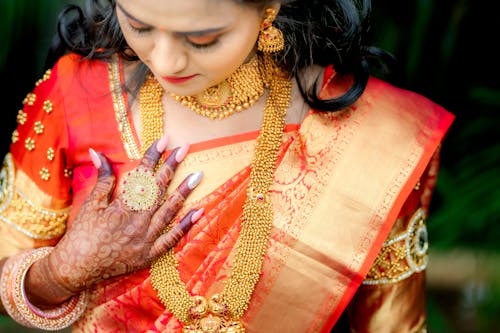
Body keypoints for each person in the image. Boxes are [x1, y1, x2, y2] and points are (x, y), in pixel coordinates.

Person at [0, 0, 454, 332]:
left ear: (271, 9)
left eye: (203, 39)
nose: (165, 60)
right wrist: (59, 273)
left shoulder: (371, 135)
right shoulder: (75, 95)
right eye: (138, 26)